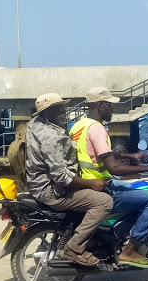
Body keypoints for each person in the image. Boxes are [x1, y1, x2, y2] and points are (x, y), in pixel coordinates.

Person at [69, 87, 148, 268]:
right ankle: (129, 252)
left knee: (136, 191)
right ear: (99, 105)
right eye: (109, 104)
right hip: (101, 187)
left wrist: (131, 156)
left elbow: (97, 154)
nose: (113, 108)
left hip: (84, 184)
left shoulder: (79, 126)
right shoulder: (97, 129)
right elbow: (113, 167)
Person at [26, 92, 113, 267]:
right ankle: (74, 248)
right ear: (46, 112)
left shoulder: (34, 126)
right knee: (104, 202)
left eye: (63, 108)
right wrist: (91, 183)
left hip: (38, 184)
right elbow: (60, 176)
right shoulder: (50, 136)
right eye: (58, 109)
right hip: (52, 190)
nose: (63, 112)